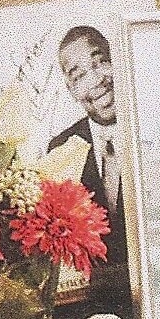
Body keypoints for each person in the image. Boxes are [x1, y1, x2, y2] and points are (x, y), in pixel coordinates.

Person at [47, 26, 123, 229]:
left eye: (100, 62)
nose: (96, 81)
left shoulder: (153, 129)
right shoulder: (60, 149)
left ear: (117, 61)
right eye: (79, 76)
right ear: (70, 90)